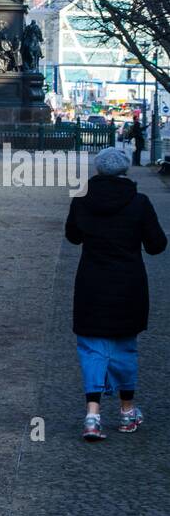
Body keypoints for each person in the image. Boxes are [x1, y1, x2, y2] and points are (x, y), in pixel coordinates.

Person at [64, 145, 167, 441]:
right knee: (124, 347)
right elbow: (157, 245)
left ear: (98, 171)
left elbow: (73, 236)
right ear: (125, 171)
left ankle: (93, 416)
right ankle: (126, 411)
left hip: (91, 283)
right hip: (128, 284)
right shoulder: (139, 202)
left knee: (92, 347)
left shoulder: (83, 199)